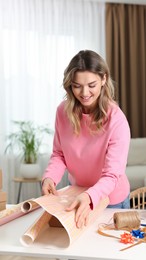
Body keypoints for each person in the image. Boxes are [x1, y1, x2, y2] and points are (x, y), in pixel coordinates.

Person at [42, 50, 131, 229]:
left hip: (111, 200)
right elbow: (59, 154)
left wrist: (90, 196)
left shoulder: (117, 119)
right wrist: (50, 178)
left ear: (104, 79)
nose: (84, 93)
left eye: (91, 85)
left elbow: (112, 174)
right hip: (77, 194)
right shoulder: (62, 112)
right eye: (77, 86)